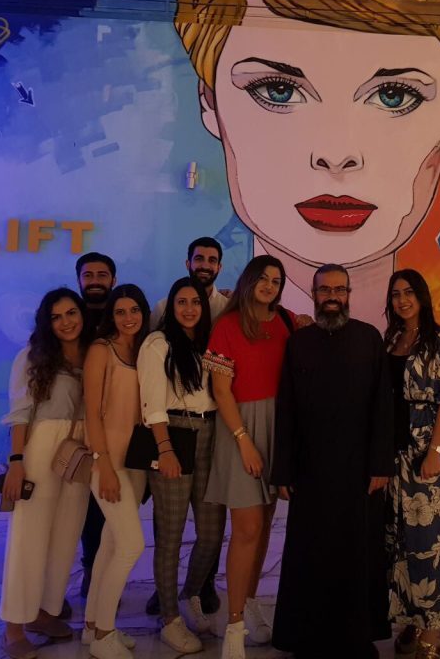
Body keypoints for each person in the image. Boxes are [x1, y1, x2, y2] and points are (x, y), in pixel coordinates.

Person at [174, 0, 440, 326]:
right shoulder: (214, 330)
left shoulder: (437, 345)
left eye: (393, 95)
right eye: (278, 90)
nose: (336, 154)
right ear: (210, 101)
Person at [272, 264, 395, 658]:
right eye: (325, 290)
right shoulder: (298, 342)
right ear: (313, 293)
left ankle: (357, 638)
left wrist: (381, 464)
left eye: (339, 290)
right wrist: (283, 470)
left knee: (358, 555)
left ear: (349, 294)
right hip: (310, 471)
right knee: (310, 556)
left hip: (359, 470)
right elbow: (286, 409)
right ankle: (307, 639)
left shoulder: (368, 338)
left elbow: (383, 405)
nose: (332, 297)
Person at [204, 255, 301, 659]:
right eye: (263, 277)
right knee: (246, 528)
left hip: (279, 427)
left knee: (263, 527)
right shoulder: (227, 325)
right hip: (240, 429)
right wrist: (244, 440)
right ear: (248, 280)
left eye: (276, 280)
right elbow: (221, 391)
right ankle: (233, 625)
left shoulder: (287, 321)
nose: (269, 285)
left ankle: (250, 601)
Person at [0, 288, 89, 659]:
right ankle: (13, 628)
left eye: (71, 313)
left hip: (80, 450)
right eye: (56, 317)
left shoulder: (93, 353)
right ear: (46, 323)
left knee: (65, 537)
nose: (66, 322)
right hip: (40, 447)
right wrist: (17, 461)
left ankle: (43, 612)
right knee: (28, 538)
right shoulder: (32, 355)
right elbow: (20, 413)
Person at [137, 277, 226, 654]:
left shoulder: (210, 342)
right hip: (173, 435)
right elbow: (152, 404)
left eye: (196, 303)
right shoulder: (158, 343)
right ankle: (169, 619)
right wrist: (165, 449)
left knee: (211, 534)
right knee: (170, 536)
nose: (189, 309)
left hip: (210, 436)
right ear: (171, 307)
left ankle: (189, 595)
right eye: (182, 302)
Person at [384, 269, 440, 659]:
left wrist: (436, 450)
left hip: (425, 454)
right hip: (393, 455)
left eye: (409, 292)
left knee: (429, 544)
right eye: (396, 294)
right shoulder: (392, 339)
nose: (402, 300)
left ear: (422, 296)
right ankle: (410, 620)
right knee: (400, 543)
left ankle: (432, 632)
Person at [83, 284, 151, 659]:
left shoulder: (144, 350)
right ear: (112, 315)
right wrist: (103, 463)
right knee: (131, 545)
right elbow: (92, 413)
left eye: (134, 310)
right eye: (121, 311)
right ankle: (104, 634)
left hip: (135, 462)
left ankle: (93, 626)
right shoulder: (101, 350)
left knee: (111, 545)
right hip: (107, 461)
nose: (128, 318)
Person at [74, 251, 117, 599]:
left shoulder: (123, 317)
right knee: (81, 507)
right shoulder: (69, 319)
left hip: (116, 427)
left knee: (107, 505)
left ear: (113, 280)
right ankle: (89, 568)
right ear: (79, 280)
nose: (95, 281)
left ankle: (105, 574)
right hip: (72, 428)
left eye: (102, 275)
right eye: (89, 275)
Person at [149, 237, 228, 330]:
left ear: (219, 267)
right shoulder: (162, 308)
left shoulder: (227, 308)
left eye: (212, 260)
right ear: (188, 264)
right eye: (199, 259)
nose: (205, 266)